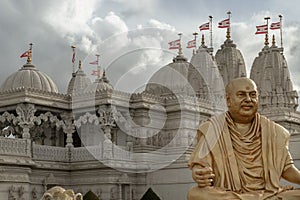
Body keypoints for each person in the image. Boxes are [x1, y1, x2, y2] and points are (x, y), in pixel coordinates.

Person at [187, 77, 300, 200]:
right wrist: (198, 173)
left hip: (268, 193)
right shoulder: (211, 129)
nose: (248, 100)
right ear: (228, 100)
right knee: (195, 194)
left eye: (253, 95)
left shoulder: (276, 132)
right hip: (230, 194)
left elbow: (287, 169)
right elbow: (200, 166)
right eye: (241, 95)